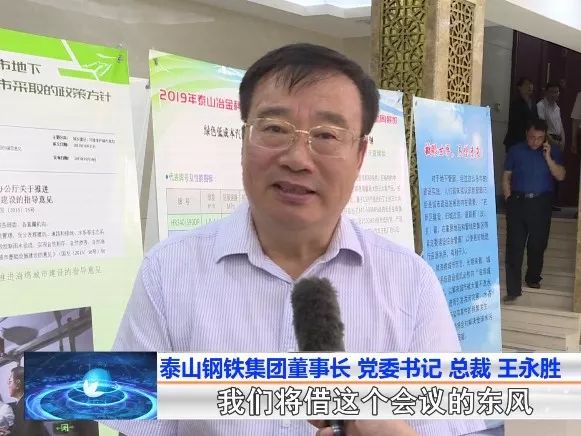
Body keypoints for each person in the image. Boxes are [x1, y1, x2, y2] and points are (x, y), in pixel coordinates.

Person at [108, 43, 490, 435]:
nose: (297, 159)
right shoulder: (166, 272)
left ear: (360, 154)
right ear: (243, 139)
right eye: (274, 129)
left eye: (326, 135)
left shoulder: (412, 283)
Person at [502, 119, 566, 302]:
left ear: (545, 137)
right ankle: (513, 290)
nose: (535, 141)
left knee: (537, 244)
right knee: (514, 246)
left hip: (541, 203)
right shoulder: (516, 150)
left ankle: (533, 277)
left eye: (539, 138)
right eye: (531, 137)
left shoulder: (553, 152)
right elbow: (506, 176)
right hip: (518, 201)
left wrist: (548, 157)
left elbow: (560, 176)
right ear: (526, 134)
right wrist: (508, 199)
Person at [6, 366, 48, 436]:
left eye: (10, 381)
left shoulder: (24, 406)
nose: (8, 385)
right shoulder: (25, 403)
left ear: (18, 384)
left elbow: (26, 433)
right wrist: (9, 433)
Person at [503, 77, 537, 151]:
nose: (530, 86)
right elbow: (516, 123)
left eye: (531, 84)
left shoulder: (533, 103)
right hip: (515, 140)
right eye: (527, 84)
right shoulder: (515, 102)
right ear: (519, 87)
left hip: (528, 140)